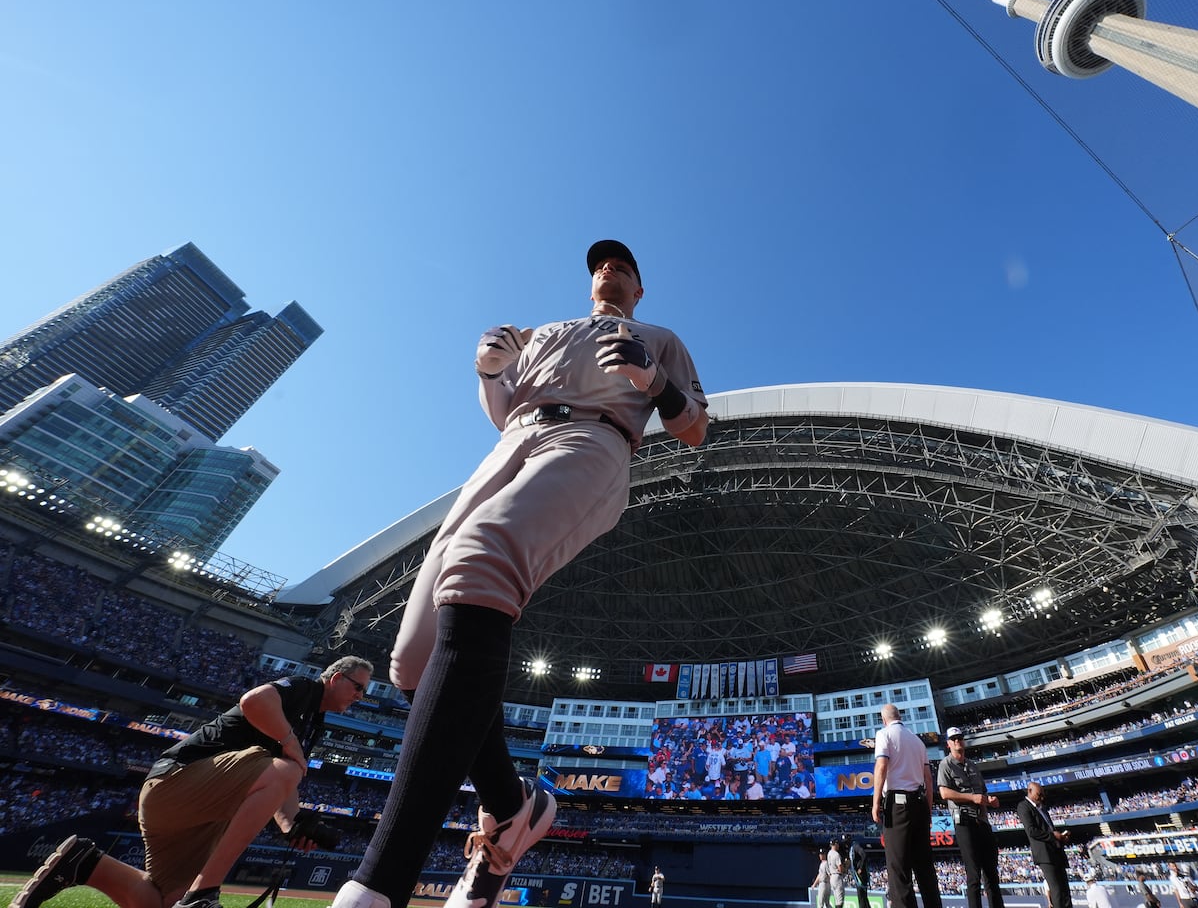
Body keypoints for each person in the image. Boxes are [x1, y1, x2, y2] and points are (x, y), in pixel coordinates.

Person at [331, 239, 708, 908]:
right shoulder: (549, 332)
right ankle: (513, 805)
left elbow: (695, 429)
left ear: (639, 290)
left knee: (481, 556)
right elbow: (507, 411)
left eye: (623, 267)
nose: (609, 270)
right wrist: (490, 372)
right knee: (415, 663)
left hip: (594, 439)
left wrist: (655, 382)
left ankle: (376, 886)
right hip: (514, 441)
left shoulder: (658, 336)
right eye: (601, 264)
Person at [14, 657, 373, 908]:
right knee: (289, 766)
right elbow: (254, 701)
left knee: (161, 901)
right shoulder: (304, 688)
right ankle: (205, 891)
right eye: (358, 688)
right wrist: (290, 743)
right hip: (176, 781)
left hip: (196, 812)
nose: (360, 697)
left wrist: (294, 826)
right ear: (337, 677)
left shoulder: (314, 722)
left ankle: (85, 863)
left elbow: (284, 783)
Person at [871, 704, 942, 908]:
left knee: (899, 868)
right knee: (925, 868)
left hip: (898, 804)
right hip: (919, 803)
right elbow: (928, 779)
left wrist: (876, 802)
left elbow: (882, 766)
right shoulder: (917, 741)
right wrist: (928, 812)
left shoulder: (884, 734)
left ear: (884, 720)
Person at [936, 727, 1005, 908]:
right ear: (948, 744)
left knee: (991, 874)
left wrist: (991, 801)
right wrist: (971, 798)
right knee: (973, 875)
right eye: (954, 739)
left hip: (982, 821)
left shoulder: (972, 765)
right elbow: (943, 793)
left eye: (960, 737)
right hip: (964, 821)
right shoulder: (945, 764)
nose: (958, 741)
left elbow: (983, 792)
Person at [1019, 782, 1072, 908]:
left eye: (1042, 794)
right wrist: (1053, 836)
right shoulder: (1023, 806)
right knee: (1057, 890)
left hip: (1056, 850)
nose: (1041, 797)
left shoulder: (1041, 807)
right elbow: (1032, 831)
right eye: (1039, 794)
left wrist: (1060, 837)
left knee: (1065, 889)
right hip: (1045, 855)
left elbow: (1049, 827)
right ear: (1029, 791)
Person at [848, 835, 871, 908]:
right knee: (863, 896)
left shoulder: (855, 846)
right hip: (857, 873)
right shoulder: (851, 848)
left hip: (861, 874)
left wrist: (861, 868)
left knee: (861, 895)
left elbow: (864, 854)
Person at [828, 838, 848, 908]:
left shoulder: (829, 853)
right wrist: (845, 867)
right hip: (837, 876)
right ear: (835, 844)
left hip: (832, 877)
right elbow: (840, 869)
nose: (838, 845)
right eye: (837, 844)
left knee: (836, 900)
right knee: (840, 901)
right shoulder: (836, 854)